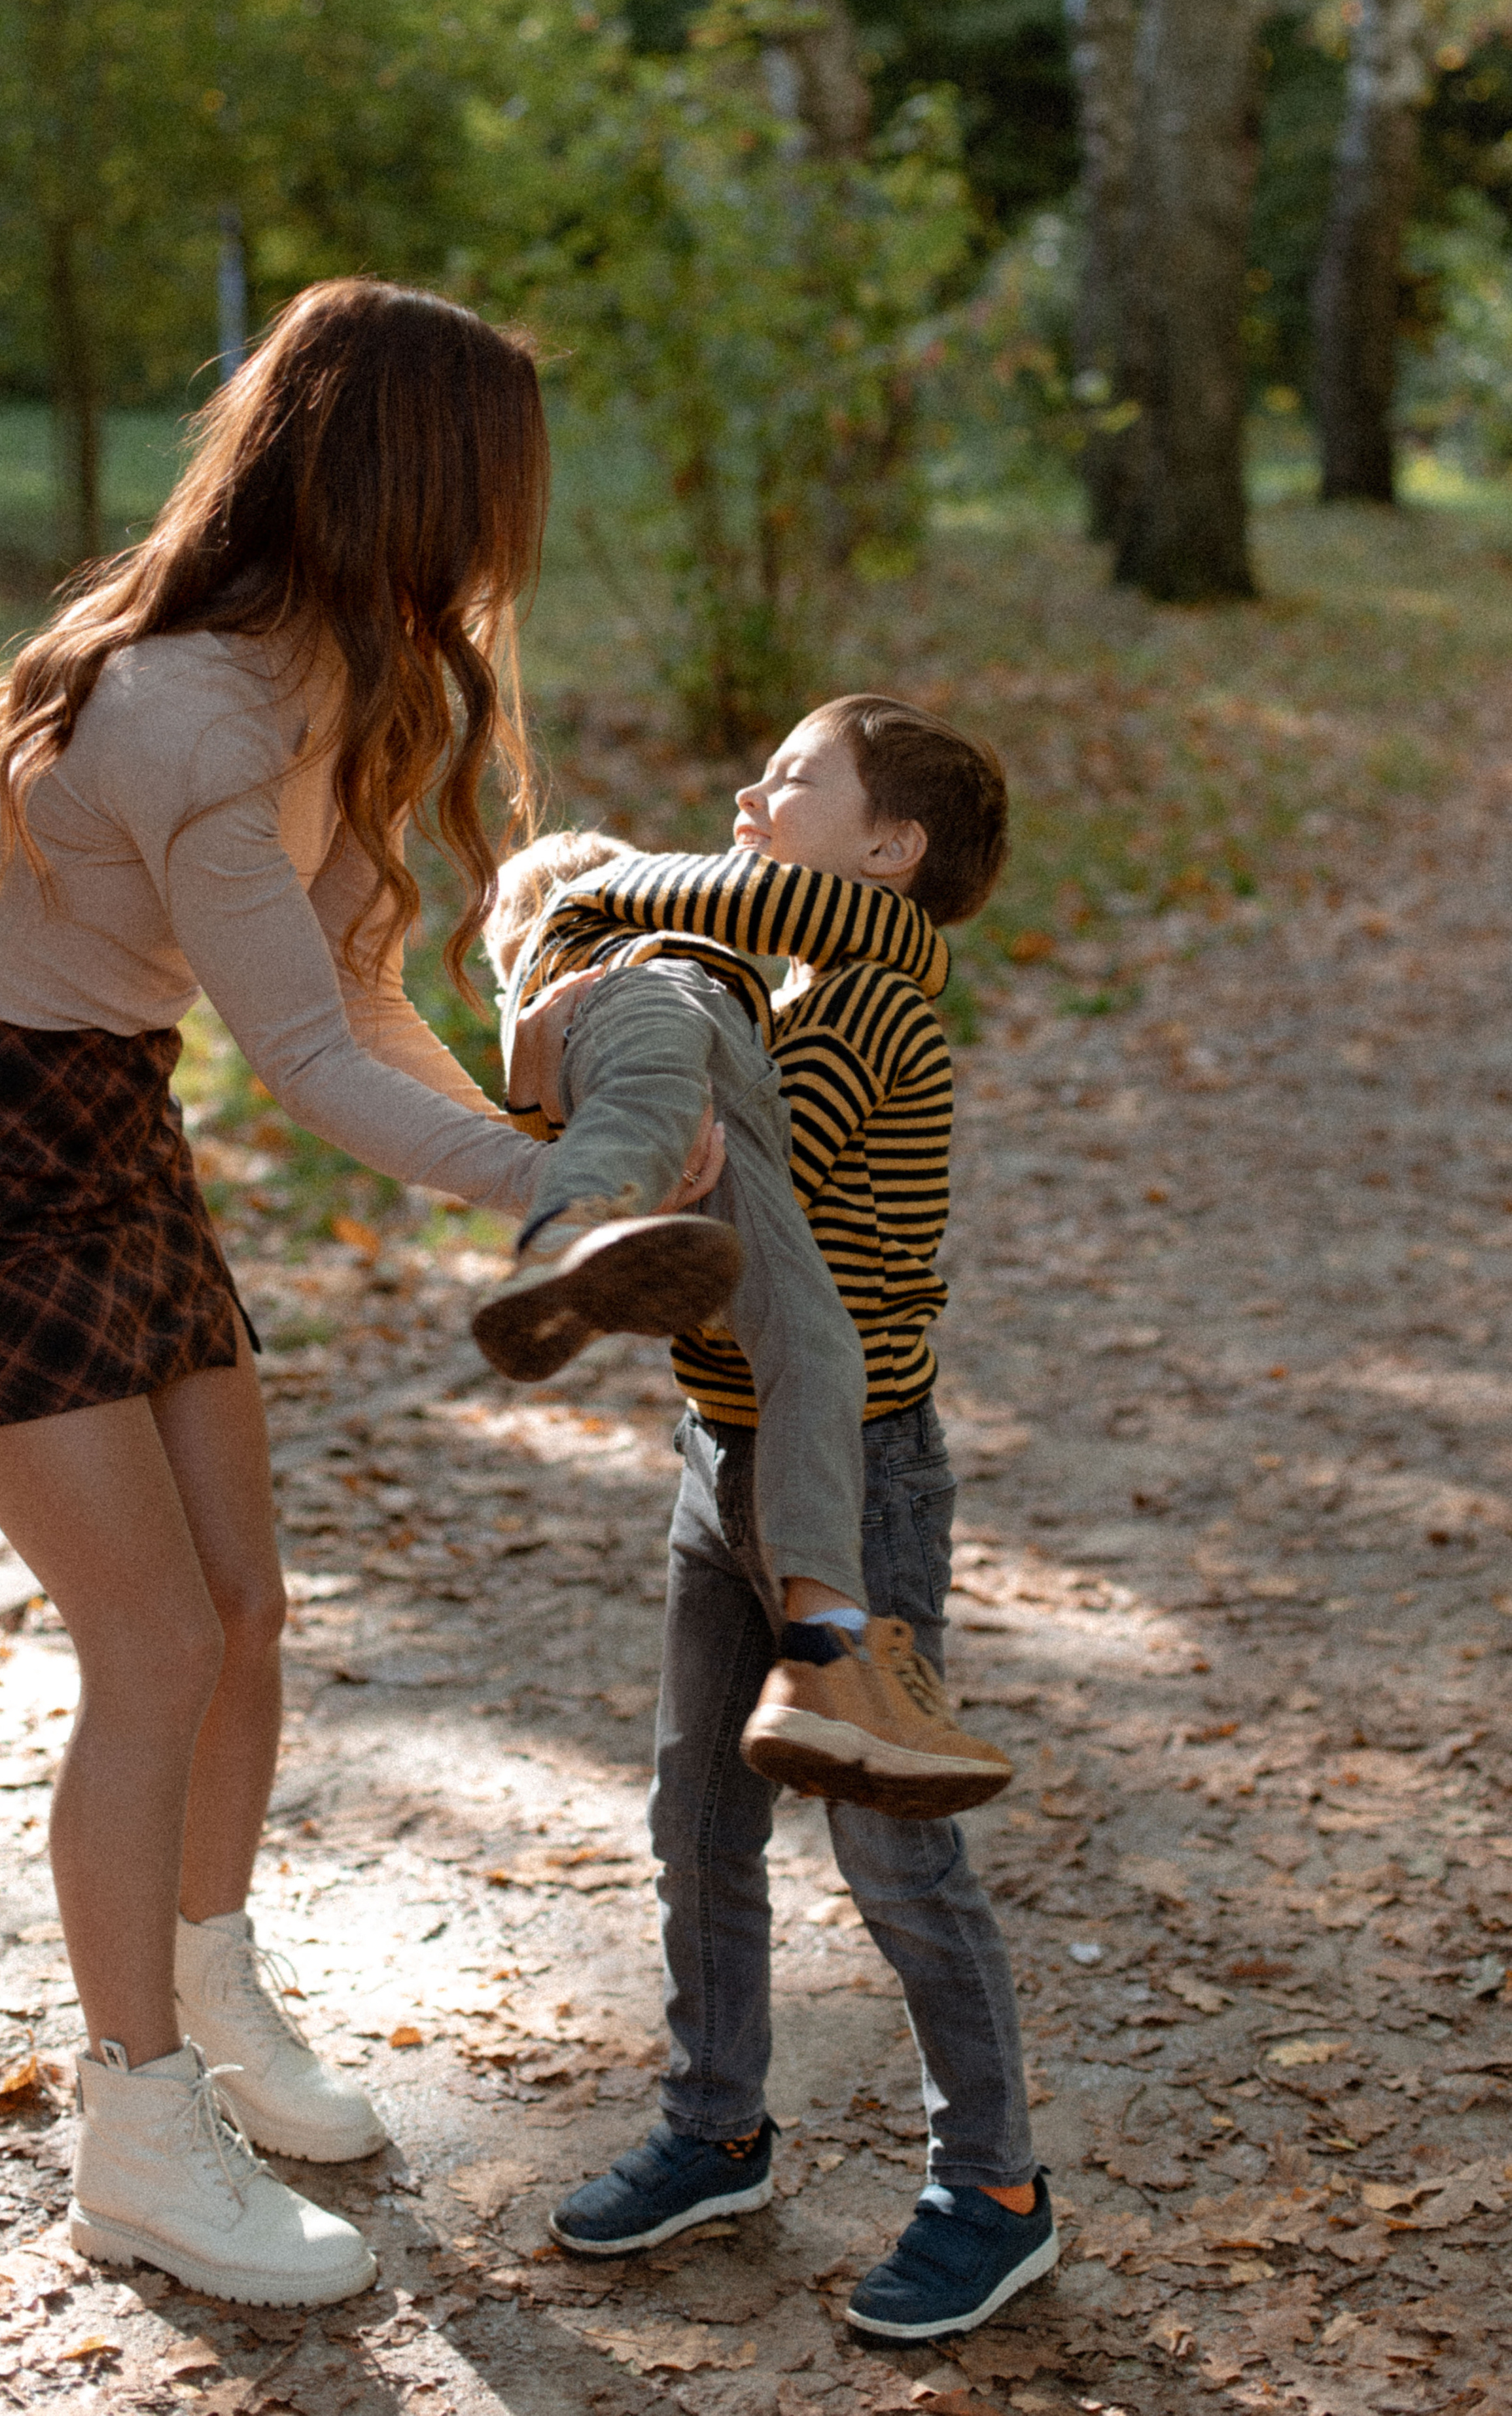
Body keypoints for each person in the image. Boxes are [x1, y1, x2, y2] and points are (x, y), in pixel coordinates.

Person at [0, 281, 576, 2309]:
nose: (512, 536)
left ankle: (210, 1991)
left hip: (110, 1138)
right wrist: (552, 1186)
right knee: (154, 1644)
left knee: (245, 1609)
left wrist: (564, 1165)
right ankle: (136, 2131)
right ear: (409, 476)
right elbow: (314, 1074)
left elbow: (362, 1000)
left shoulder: (343, 672)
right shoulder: (185, 700)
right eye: (495, 487)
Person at [537, 697, 1060, 2345]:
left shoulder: (874, 1002)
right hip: (725, 1452)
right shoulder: (779, 991)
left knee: (889, 1838)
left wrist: (603, 908)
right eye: (753, 765)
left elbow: (750, 1190)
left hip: (861, 1480)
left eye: (795, 778)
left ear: (888, 851)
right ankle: (716, 2126)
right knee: (696, 1812)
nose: (752, 790)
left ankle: (992, 2189)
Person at [476, 818, 1014, 1816]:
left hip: (731, 1132)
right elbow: (616, 1071)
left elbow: (566, 1080)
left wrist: (529, 1075)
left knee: (817, 1349)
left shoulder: (608, 916)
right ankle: (564, 1240)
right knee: (645, 1097)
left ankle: (826, 1649)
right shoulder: (630, 953)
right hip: (676, 1032)